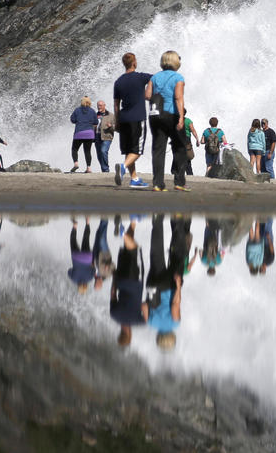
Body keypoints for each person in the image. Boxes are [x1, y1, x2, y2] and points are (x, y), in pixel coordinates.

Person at [145, 214, 195, 351]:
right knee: (156, 253)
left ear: (172, 338)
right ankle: (157, 219)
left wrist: (178, 287)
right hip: (153, 286)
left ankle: (178, 219)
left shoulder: (175, 324)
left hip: (170, 285)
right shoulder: (151, 323)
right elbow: (144, 305)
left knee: (179, 255)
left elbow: (175, 305)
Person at [145, 51, 189, 191]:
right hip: (172, 115)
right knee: (180, 147)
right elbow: (178, 98)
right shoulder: (178, 77)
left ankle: (158, 184)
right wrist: (181, 117)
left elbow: (147, 95)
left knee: (158, 150)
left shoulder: (154, 77)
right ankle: (179, 182)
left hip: (155, 116)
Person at [113, 53, 152, 187]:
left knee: (129, 150)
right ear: (134, 63)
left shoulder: (118, 81)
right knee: (137, 151)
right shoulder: (141, 77)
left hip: (123, 119)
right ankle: (123, 167)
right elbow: (157, 78)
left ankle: (134, 179)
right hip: (137, 118)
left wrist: (117, 121)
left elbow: (116, 104)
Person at [110, 218, 144, 347]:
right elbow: (113, 294)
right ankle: (133, 223)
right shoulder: (114, 316)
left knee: (135, 250)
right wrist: (114, 276)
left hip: (136, 283)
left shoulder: (139, 321)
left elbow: (146, 307)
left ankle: (123, 233)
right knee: (128, 250)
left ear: (129, 335)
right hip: (121, 281)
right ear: (120, 333)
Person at [69, 96, 97, 173]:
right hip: (89, 134)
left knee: (74, 149)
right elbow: (96, 122)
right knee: (87, 151)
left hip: (79, 133)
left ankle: (76, 163)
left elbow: (72, 120)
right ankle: (88, 168)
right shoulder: (92, 111)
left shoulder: (77, 110)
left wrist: (79, 121)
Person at [67, 217, 94, 294]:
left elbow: (93, 268)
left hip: (87, 257)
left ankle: (88, 221)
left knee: (86, 239)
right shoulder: (74, 279)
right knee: (73, 240)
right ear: (78, 286)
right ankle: (75, 226)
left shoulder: (90, 278)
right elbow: (69, 270)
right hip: (76, 257)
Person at [93, 215, 114, 290]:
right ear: (101, 284)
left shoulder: (93, 275)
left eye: (96, 284)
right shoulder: (107, 276)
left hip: (96, 252)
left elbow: (92, 264)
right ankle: (105, 218)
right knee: (102, 239)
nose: (97, 283)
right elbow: (113, 266)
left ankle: (103, 219)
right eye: (98, 284)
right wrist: (108, 265)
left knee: (98, 234)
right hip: (105, 253)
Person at [95, 100, 115, 174]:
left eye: (100, 105)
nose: (99, 107)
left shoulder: (111, 115)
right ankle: (104, 170)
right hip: (97, 137)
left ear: (104, 105)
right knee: (99, 155)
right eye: (98, 105)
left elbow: (117, 128)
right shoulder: (95, 115)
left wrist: (111, 126)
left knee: (103, 151)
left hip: (107, 137)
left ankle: (106, 170)